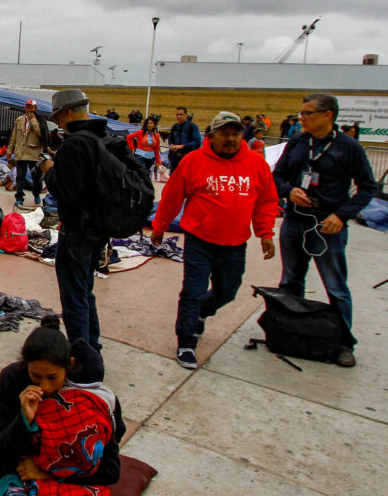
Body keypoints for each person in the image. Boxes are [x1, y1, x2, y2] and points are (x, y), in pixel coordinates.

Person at [152, 112, 279, 369]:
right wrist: (159, 226)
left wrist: (265, 232)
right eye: (225, 133)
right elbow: (172, 196)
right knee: (192, 291)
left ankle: (202, 312)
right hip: (200, 241)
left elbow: (266, 201)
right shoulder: (194, 161)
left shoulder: (256, 164)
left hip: (235, 244)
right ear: (211, 137)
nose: (230, 139)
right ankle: (186, 341)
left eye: (235, 134)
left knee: (227, 292)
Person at [273, 93, 377, 367]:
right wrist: (288, 191)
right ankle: (289, 331)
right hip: (295, 222)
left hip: (327, 227)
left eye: (307, 113)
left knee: (335, 286)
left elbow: (367, 187)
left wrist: (343, 215)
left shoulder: (349, 147)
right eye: (302, 113)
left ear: (327, 115)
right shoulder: (297, 141)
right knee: (291, 281)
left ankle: (344, 343)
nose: (301, 118)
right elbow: (278, 175)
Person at [0, 318, 125, 496]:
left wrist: (49, 472)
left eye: (53, 377)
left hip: (71, 481)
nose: (44, 387)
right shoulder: (13, 378)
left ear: (70, 366)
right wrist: (24, 420)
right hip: (21, 474)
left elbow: (110, 471)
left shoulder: (86, 397)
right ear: (25, 365)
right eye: (35, 376)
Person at [40, 89, 110, 351]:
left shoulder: (74, 142)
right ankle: (92, 343)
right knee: (85, 289)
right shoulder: (104, 137)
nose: (57, 123)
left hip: (78, 228)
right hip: (100, 228)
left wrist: (49, 171)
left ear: (68, 112)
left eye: (58, 117)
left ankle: (82, 355)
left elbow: (65, 190)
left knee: (74, 295)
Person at [7, 99, 47, 206]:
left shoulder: (40, 120)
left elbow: (40, 133)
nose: (29, 109)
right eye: (28, 107)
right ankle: (19, 197)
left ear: (36, 108)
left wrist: (33, 120)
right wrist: (10, 150)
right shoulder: (19, 120)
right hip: (21, 153)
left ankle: (36, 194)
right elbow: (14, 136)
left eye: (32, 107)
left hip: (34, 153)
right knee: (20, 177)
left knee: (36, 177)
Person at [168, 106, 201, 172]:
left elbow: (197, 142)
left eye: (181, 114)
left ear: (186, 115)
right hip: (175, 158)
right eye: (177, 115)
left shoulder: (192, 126)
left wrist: (183, 146)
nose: (179, 116)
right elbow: (170, 139)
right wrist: (171, 145)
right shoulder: (175, 126)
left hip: (187, 158)